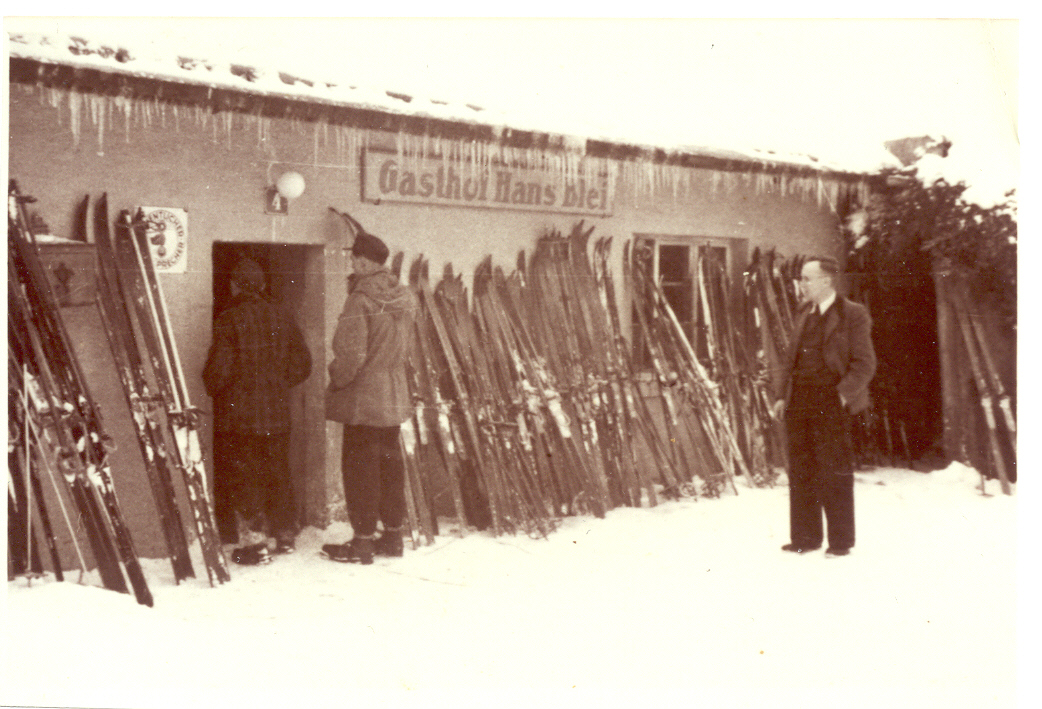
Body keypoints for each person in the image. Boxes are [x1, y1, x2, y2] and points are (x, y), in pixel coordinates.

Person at [202, 258, 312, 562]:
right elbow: (303, 363)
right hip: (277, 413)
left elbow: (218, 371)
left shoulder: (229, 319)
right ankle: (285, 534)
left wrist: (214, 386)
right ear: (262, 285)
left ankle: (255, 543)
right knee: (278, 471)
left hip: (241, 416)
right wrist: (278, 381)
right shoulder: (283, 316)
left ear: (234, 286)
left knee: (246, 475)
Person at [322, 222, 416, 565]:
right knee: (390, 468)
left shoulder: (360, 299)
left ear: (363, 262)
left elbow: (351, 355)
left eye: (354, 260)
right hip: (393, 394)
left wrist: (336, 381)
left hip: (363, 398)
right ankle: (392, 537)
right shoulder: (405, 297)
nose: (352, 265)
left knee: (360, 468)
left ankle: (362, 543)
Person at [772, 256, 876, 557]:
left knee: (834, 470)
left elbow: (865, 363)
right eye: (801, 278)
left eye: (807, 278)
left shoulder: (852, 313)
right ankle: (806, 538)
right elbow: (790, 360)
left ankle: (840, 542)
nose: (802, 284)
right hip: (799, 400)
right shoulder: (804, 312)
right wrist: (781, 395)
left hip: (831, 400)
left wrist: (841, 396)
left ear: (826, 280)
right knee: (801, 469)